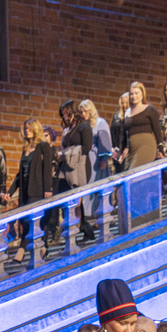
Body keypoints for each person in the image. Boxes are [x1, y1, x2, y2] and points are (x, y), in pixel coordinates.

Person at [2, 117, 56, 261]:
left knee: (31, 222)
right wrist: (10, 192)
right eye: (25, 128)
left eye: (30, 128)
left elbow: (46, 169)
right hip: (25, 191)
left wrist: (47, 189)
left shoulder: (43, 146)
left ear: (36, 129)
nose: (27, 131)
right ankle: (43, 248)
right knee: (25, 221)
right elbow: (20, 175)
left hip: (37, 190)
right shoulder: (25, 149)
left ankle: (21, 250)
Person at [57, 100, 95, 240]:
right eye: (63, 114)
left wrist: (67, 154)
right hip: (67, 167)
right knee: (70, 201)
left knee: (75, 201)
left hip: (80, 167)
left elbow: (86, 147)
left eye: (67, 113)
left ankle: (75, 230)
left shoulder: (84, 126)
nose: (65, 116)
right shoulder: (68, 129)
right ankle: (85, 230)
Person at [79, 99, 113, 241]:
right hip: (87, 162)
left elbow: (105, 142)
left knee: (100, 189)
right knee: (90, 192)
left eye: (83, 111)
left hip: (98, 161)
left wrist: (104, 159)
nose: (81, 114)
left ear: (89, 110)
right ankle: (94, 220)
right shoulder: (84, 125)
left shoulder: (100, 123)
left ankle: (103, 220)